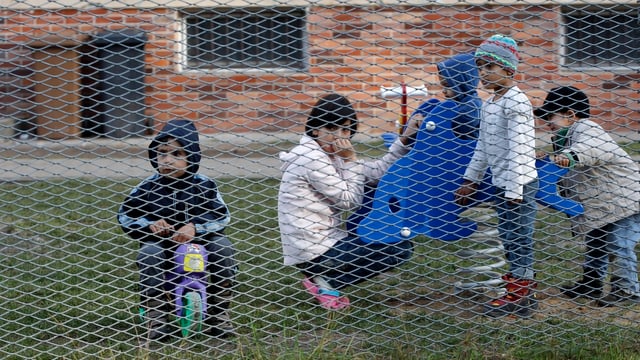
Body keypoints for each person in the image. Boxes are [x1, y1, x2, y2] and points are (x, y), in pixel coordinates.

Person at [278, 93, 418, 310]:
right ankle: (326, 278)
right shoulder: (311, 157)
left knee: (397, 238)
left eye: (345, 130)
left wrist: (405, 140)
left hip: (328, 241)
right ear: (315, 129)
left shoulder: (330, 155)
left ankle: (325, 276)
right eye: (331, 129)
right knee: (399, 248)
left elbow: (376, 173)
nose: (339, 136)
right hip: (315, 250)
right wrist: (350, 159)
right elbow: (349, 200)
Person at [118, 119, 236, 341]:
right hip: (161, 243)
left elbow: (222, 215)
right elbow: (125, 215)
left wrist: (195, 227)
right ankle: (157, 314)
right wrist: (149, 225)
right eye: (161, 153)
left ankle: (219, 311)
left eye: (177, 154)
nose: (167, 160)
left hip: (202, 240)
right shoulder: (147, 187)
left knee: (224, 248)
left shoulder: (205, 185)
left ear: (191, 157)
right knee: (149, 254)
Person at [454, 34, 539, 317]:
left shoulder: (516, 102)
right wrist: (471, 179)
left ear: (509, 70)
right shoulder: (490, 103)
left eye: (490, 67)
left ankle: (521, 293)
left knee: (520, 237)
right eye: (479, 67)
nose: (483, 73)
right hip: (500, 182)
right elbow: (483, 146)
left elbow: (521, 149)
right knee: (508, 235)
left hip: (520, 184)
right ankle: (520, 288)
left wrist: (515, 191)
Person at [534, 86, 640, 307]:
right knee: (596, 242)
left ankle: (627, 289)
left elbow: (592, 149)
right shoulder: (564, 137)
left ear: (570, 115)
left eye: (550, 116)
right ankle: (592, 283)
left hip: (625, 201)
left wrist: (570, 156)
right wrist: (549, 158)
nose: (547, 122)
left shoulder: (587, 128)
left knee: (619, 243)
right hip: (603, 204)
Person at [410, 52, 481, 141]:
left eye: (448, 86)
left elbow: (453, 128)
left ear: (462, 82)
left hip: (464, 151)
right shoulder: (457, 102)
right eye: (443, 86)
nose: (443, 91)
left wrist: (426, 123)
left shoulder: (471, 105)